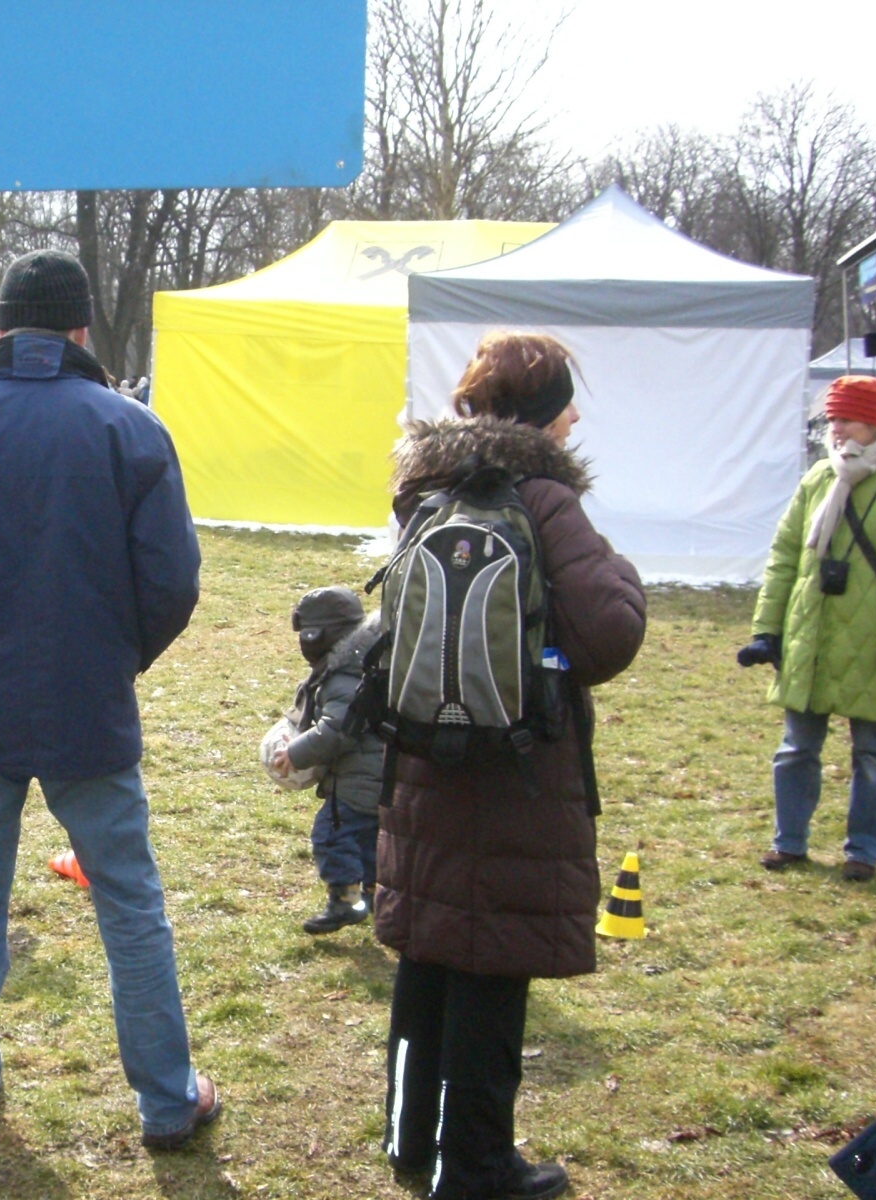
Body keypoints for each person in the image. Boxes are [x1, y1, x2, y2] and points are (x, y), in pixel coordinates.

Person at [0, 248, 215, 1147]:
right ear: (81, 328)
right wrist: (112, 658)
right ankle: (167, 1099)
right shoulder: (130, 428)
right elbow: (172, 582)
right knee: (128, 901)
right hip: (86, 702)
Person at [377, 331, 645, 1200]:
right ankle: (477, 1166)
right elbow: (609, 634)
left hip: (425, 757)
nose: (574, 420)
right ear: (542, 412)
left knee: (427, 952)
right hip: (515, 768)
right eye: (566, 404)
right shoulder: (544, 497)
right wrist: (620, 571)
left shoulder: (427, 491)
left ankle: (409, 1138)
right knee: (491, 965)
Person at [742, 375, 876, 882]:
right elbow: (785, 557)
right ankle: (788, 842)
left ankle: (864, 852)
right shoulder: (819, 476)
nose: (836, 429)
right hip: (810, 636)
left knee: (873, 753)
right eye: (832, 419)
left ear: (875, 422)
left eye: (846, 419)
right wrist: (766, 630)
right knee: (795, 749)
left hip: (873, 642)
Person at [272, 586, 386, 935]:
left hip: (358, 782)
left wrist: (295, 751)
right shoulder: (365, 661)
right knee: (370, 840)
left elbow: (338, 730)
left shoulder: (345, 676)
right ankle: (376, 897)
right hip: (381, 779)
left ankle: (345, 902)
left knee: (331, 836)